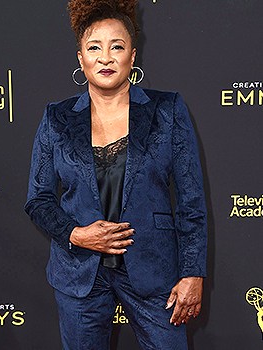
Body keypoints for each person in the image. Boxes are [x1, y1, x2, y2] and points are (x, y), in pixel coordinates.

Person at [24, 0, 207, 349]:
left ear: (132, 55)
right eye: (94, 47)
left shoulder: (166, 110)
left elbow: (190, 200)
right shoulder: (56, 118)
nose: (105, 57)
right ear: (80, 58)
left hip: (154, 271)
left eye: (116, 47)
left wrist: (192, 272)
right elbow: (39, 199)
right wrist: (76, 234)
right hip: (80, 274)